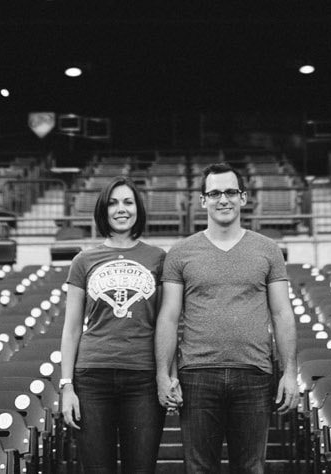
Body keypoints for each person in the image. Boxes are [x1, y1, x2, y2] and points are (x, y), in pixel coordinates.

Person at [155, 162, 300, 474]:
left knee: (251, 468)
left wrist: (289, 373)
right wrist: (164, 374)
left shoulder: (268, 250)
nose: (224, 199)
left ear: (243, 198)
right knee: (199, 469)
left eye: (231, 192)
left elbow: (282, 314)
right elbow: (168, 317)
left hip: (254, 373)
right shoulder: (180, 252)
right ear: (203, 200)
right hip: (197, 375)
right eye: (215, 193)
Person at [59, 176, 166, 474]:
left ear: (138, 209)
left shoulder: (158, 258)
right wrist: (67, 386)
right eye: (113, 203)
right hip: (92, 378)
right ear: (103, 210)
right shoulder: (83, 260)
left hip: (143, 378)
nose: (121, 209)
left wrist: (166, 375)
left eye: (128, 202)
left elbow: (166, 323)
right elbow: (71, 328)